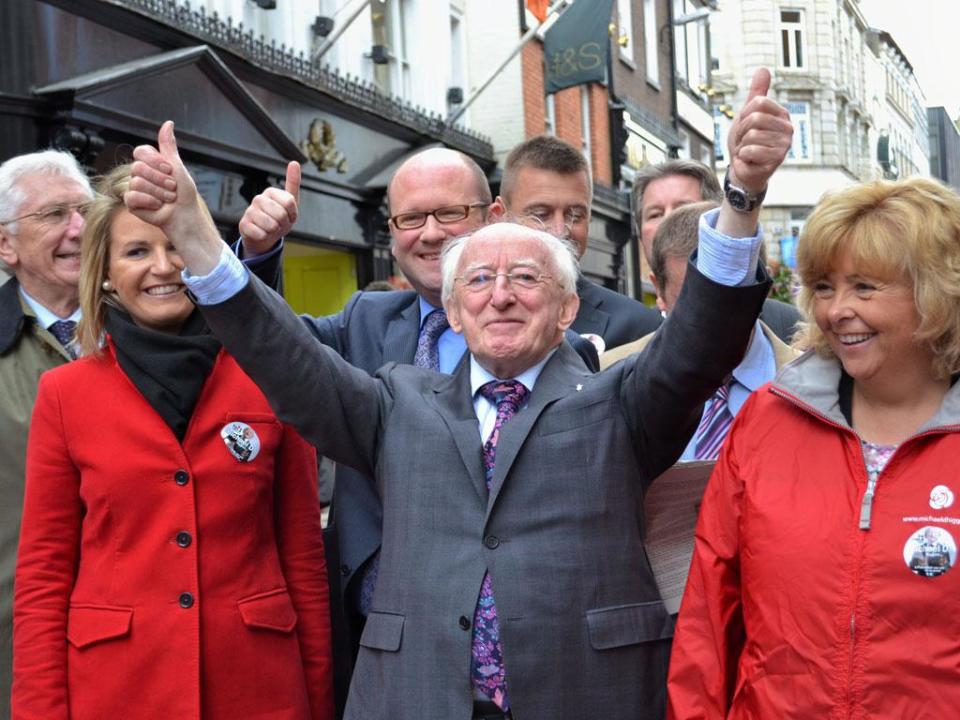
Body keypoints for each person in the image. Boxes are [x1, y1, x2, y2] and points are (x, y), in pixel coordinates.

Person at [123, 66, 791, 720]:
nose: (499, 295)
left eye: (525, 279)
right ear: (454, 310)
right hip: (417, 695)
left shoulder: (615, 404)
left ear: (565, 311)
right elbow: (283, 355)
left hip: (586, 692)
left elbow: (698, 344)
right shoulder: (395, 406)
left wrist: (741, 193)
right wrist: (195, 235)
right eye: (477, 283)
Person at [238, 146, 600, 716]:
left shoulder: (554, 345)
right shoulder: (362, 320)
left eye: (449, 214)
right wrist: (258, 255)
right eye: (411, 219)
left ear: (493, 213)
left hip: (520, 649)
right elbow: (272, 348)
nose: (429, 235)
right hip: (387, 637)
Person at [12, 165, 334, 720]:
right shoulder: (64, 393)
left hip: (258, 688)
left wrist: (319, 699)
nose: (163, 268)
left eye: (177, 244)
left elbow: (302, 557)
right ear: (106, 272)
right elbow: (43, 578)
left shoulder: (269, 373)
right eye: (137, 252)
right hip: (118, 690)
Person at [667, 177, 960, 719]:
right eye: (824, 287)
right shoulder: (770, 419)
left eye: (865, 287)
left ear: (936, 293)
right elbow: (708, 617)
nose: (836, 310)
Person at [603, 201, 798, 462]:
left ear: (762, 286)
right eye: (693, 302)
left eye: (729, 299)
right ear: (658, 290)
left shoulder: (819, 385)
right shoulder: (606, 379)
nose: (712, 318)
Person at [490, 134, 662, 348]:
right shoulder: (469, 318)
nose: (560, 230)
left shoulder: (638, 330)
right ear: (499, 216)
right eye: (541, 214)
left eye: (575, 215)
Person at [633, 158, 803, 343]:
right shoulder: (626, 338)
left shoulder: (790, 328)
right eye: (655, 214)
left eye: (683, 209)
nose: (668, 221)